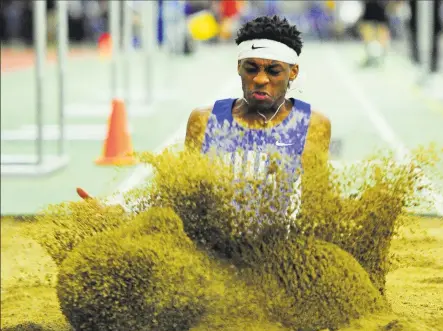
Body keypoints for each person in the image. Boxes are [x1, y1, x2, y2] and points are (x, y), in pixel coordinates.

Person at [79, 15, 332, 213]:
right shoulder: (205, 121)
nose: (260, 79)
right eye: (251, 68)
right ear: (238, 68)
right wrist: (119, 212)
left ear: (293, 72)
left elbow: (317, 208)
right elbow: (183, 198)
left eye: (274, 71)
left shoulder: (313, 125)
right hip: (215, 254)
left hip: (276, 256)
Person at [358, 0, 391, 67]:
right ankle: (370, 55)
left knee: (381, 33)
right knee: (367, 33)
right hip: (370, 9)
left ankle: (381, 57)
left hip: (380, 9)